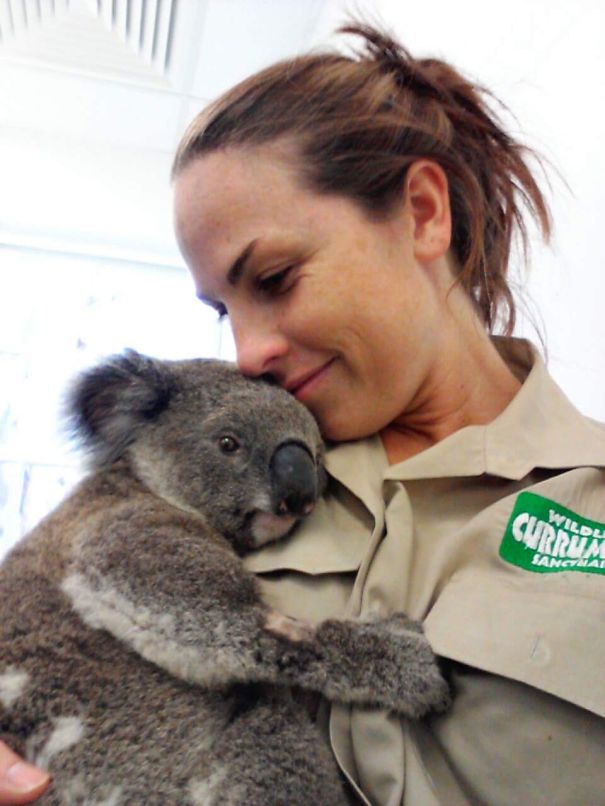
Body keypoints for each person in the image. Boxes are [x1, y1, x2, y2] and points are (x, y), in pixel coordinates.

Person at [2, 21, 604, 806]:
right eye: (224, 310)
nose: (249, 351)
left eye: (276, 278)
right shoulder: (204, 476)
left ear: (422, 213)